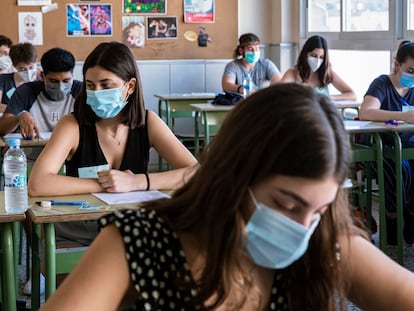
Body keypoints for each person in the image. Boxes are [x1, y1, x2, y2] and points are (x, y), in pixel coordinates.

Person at [39, 84, 414, 311]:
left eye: (318, 210)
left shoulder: (321, 238)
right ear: (235, 177)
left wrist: (138, 180)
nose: (301, 229)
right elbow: (40, 183)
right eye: (286, 205)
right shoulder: (141, 243)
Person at [28, 41, 198, 246]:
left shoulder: (148, 122)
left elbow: (195, 172)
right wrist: (107, 184)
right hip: (81, 227)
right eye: (90, 86)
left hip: (134, 224)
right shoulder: (71, 125)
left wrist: (136, 182)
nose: (97, 92)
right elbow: (37, 184)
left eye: (106, 85)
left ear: (130, 86)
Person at [359, 40, 414, 245]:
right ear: (396, 64)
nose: (413, 76)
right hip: (381, 147)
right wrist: (403, 116)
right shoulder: (382, 84)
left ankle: (409, 214)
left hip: (407, 145)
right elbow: (366, 112)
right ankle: (392, 218)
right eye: (410, 70)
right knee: (400, 168)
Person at [0, 47, 81, 139]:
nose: (60, 87)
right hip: (35, 149)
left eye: (66, 81)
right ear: (42, 76)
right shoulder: (26, 91)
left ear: (73, 76)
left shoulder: (80, 91)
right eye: (53, 81)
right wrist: (19, 116)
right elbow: (2, 129)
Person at [280, 35, 356, 101]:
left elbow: (352, 95)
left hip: (323, 115)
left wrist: (329, 97)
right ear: (306, 54)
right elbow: (277, 93)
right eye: (313, 55)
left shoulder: (328, 73)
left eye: (321, 57)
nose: (317, 60)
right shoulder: (293, 73)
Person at [0, 42, 38, 112]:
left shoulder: (42, 81)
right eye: (22, 69)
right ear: (14, 66)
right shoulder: (3, 80)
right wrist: (20, 110)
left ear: (36, 61)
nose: (28, 72)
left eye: (31, 67)